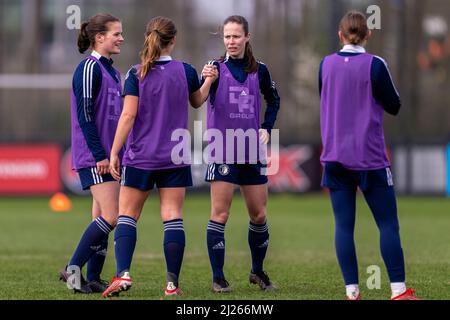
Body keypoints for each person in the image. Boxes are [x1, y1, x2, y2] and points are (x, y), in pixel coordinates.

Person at [101, 16, 218, 298]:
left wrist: (115, 151)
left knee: (128, 215)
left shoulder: (136, 73)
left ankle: (123, 274)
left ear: (148, 37)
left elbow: (128, 116)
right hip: (175, 156)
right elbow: (197, 100)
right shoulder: (186, 71)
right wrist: (209, 82)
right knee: (173, 217)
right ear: (173, 40)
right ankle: (171, 285)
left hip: (141, 155)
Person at [319, 11, 419, 300]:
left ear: (340, 35)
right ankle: (398, 291)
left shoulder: (325, 64)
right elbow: (395, 105)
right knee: (387, 224)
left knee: (343, 226)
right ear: (368, 35)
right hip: (370, 157)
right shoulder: (376, 65)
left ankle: (352, 292)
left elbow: (326, 97)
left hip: (335, 156)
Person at [201, 15, 280, 293]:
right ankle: (218, 277)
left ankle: (257, 272)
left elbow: (274, 100)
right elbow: (198, 98)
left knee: (259, 215)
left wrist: (267, 127)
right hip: (222, 149)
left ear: (247, 37)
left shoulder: (261, 70)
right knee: (220, 214)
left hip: (252, 151)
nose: (231, 42)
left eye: (236, 36)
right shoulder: (214, 69)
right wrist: (206, 81)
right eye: (226, 36)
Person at [60, 13, 124, 294]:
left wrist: (117, 153)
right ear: (99, 37)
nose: (121, 38)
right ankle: (73, 270)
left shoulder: (114, 72)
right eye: (116, 33)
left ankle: (94, 276)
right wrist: (100, 154)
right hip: (94, 156)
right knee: (113, 215)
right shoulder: (88, 68)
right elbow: (85, 116)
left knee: (101, 215)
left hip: (109, 156)